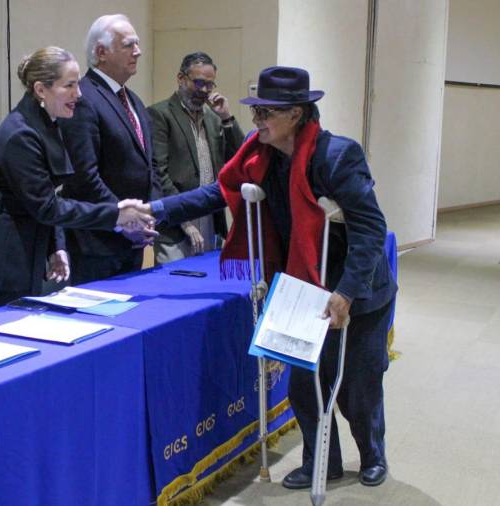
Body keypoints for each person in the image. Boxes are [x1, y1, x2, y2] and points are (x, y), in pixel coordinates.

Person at [149, 66, 396, 488]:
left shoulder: (337, 157)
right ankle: (324, 459)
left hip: (354, 288)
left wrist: (347, 292)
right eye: (256, 110)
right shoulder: (259, 157)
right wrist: (155, 211)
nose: (256, 119)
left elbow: (371, 228)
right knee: (304, 382)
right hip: (300, 285)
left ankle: (373, 453)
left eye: (266, 111)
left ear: (296, 114)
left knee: (358, 385)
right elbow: (218, 193)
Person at [0, 47, 154, 312]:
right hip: (1, 256)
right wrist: (115, 214)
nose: (79, 94)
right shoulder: (21, 135)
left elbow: (51, 195)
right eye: (70, 86)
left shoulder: (46, 123)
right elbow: (47, 207)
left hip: (25, 246)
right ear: (41, 90)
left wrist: (56, 246)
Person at [59, 14, 160, 285]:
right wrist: (123, 218)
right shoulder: (82, 98)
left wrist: (148, 215)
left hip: (132, 240)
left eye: (138, 44)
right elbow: (84, 176)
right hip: (96, 243)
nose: (138, 52)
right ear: (101, 52)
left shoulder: (135, 102)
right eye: (129, 45)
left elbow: (150, 167)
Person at [147, 52, 244, 264]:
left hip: (210, 220)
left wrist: (227, 118)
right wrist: (185, 221)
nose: (204, 90)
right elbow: (158, 173)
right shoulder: (160, 115)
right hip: (176, 223)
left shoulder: (214, 118)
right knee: (175, 287)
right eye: (199, 82)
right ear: (181, 79)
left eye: (210, 85)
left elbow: (240, 159)